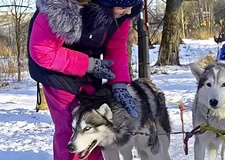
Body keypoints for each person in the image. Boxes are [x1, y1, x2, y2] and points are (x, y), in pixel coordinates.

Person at [27, 0, 143, 159]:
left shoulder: (120, 14)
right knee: (73, 126)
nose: (129, 12)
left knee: (93, 125)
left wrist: (119, 85)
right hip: (56, 72)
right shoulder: (59, 8)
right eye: (124, 7)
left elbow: (116, 47)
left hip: (90, 68)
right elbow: (42, 51)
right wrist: (87, 64)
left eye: (133, 5)